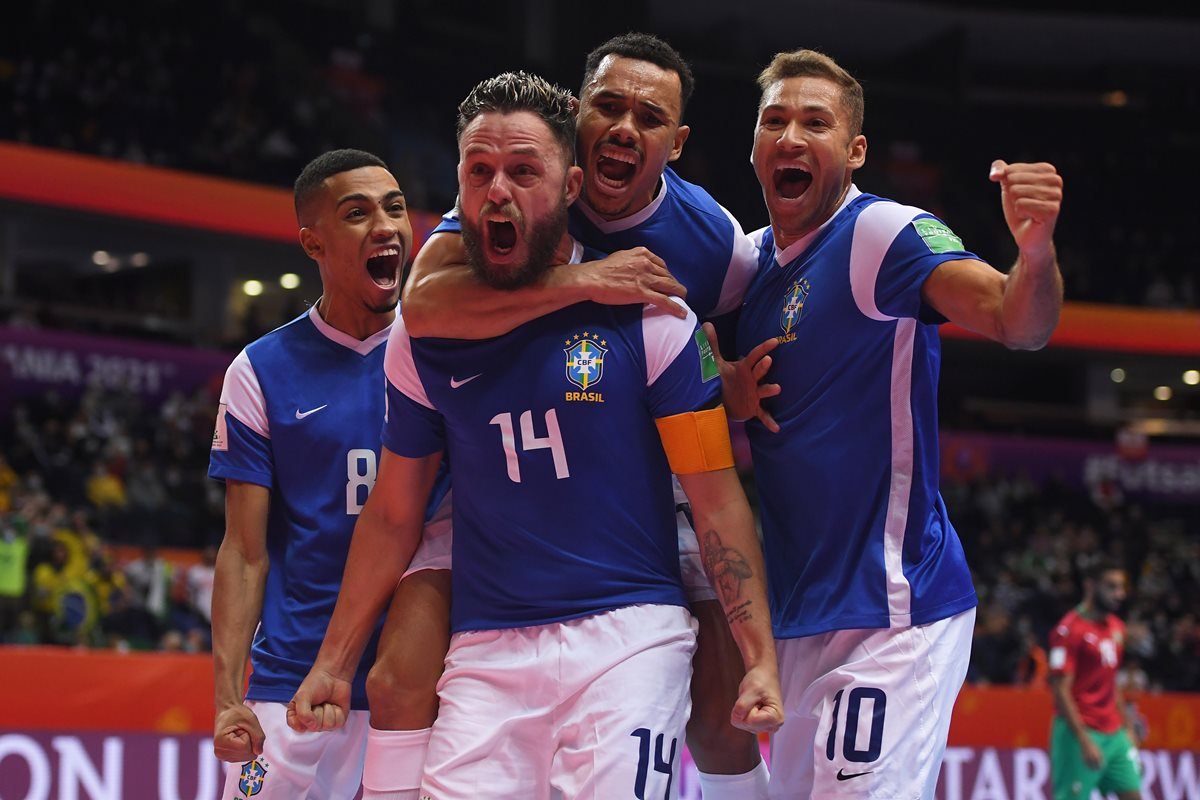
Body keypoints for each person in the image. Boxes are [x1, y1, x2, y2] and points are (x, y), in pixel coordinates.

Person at [289, 70, 782, 800]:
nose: (498, 191)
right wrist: (332, 663)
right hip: (486, 653)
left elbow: (716, 503)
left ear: (573, 187)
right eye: (479, 171)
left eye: (524, 172)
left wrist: (761, 658)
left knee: (715, 725)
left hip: (630, 639)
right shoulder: (424, 332)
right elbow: (393, 512)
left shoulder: (655, 316)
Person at [718, 49, 1064, 798]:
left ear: (855, 150)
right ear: (752, 146)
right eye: (773, 120)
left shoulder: (885, 233)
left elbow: (1016, 320)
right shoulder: (744, 265)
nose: (790, 135)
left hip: (893, 615)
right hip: (797, 623)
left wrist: (1033, 253)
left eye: (816, 121)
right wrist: (725, 390)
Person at [207, 148, 450, 798]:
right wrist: (227, 695)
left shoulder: (447, 353)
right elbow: (244, 552)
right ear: (313, 240)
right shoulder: (260, 371)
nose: (386, 226)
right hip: (293, 683)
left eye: (396, 209)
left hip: (419, 684)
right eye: (358, 212)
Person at [1048, 560, 1143, 800]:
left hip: (1114, 732)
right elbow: (1061, 690)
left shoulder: (1117, 629)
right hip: (1079, 733)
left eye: (1122, 587)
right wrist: (1083, 739)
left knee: (1133, 794)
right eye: (1112, 587)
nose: (1119, 594)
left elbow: (1110, 684)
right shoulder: (1068, 630)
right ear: (1090, 585)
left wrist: (1128, 729)